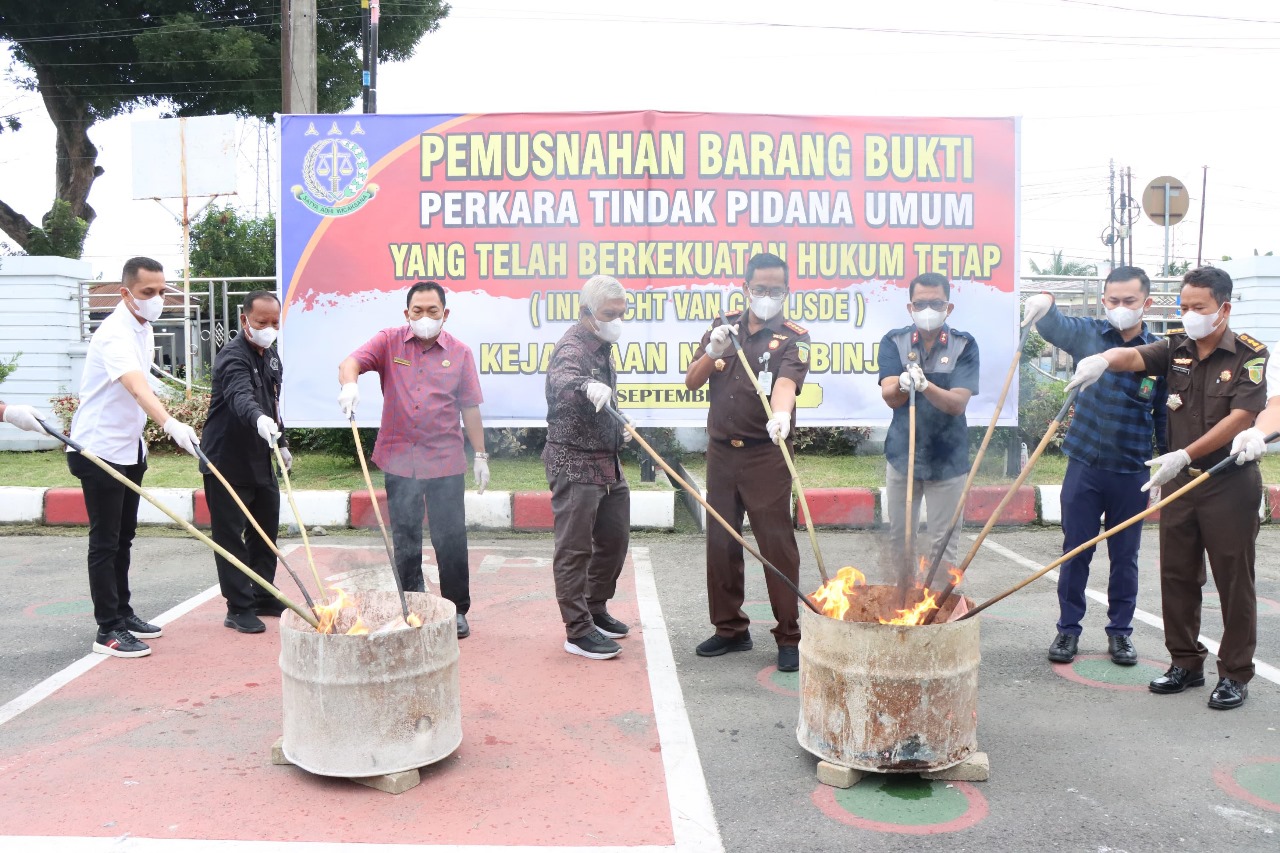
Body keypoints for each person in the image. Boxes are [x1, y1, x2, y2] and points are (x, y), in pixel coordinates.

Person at [1066, 266, 1265, 710]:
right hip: (1179, 481)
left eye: (1199, 307)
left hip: (1227, 482)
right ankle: (1185, 663)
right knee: (1177, 575)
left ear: (1223, 308)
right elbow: (1134, 358)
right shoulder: (1176, 347)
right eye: (1184, 306)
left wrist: (1187, 453)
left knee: (1233, 581)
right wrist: (1102, 360)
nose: (1190, 314)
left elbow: (1240, 418)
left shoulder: (1248, 355)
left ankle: (1234, 674)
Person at [1021, 267, 1167, 667]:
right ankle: (1068, 630)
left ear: (1147, 303)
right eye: (1113, 300)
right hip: (1084, 465)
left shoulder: (1157, 353)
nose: (1120, 308)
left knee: (1126, 557)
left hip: (1132, 470)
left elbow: (1162, 416)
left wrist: (1163, 467)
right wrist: (1046, 300)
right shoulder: (1088, 333)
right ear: (1104, 300)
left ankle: (1120, 633)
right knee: (1075, 551)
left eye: (1129, 301)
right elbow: (1053, 326)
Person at [66, 257, 202, 658]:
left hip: (128, 447)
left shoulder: (142, 327)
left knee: (124, 537)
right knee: (105, 541)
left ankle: (122, 613)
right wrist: (170, 423)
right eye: (148, 293)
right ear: (126, 293)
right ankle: (107, 629)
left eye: (162, 292)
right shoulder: (115, 334)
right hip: (99, 449)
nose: (157, 299)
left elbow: (150, 381)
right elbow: (136, 387)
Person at [338, 281, 488, 639]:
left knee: (449, 538)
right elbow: (351, 362)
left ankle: (456, 609)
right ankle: (412, 603)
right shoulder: (389, 341)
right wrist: (350, 384)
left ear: (445, 314)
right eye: (417, 311)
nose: (424, 317)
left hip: (445, 460)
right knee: (405, 537)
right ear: (407, 314)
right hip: (400, 459)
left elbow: (470, 407)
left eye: (432, 311)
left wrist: (480, 454)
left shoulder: (461, 353)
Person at [685, 252, 809, 673]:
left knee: (776, 545)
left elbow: (787, 382)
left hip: (766, 454)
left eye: (777, 290)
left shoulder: (794, 337)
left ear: (787, 292)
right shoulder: (723, 328)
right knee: (721, 542)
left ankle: (789, 634)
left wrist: (781, 415)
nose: (768, 297)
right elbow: (692, 380)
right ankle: (730, 629)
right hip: (722, 452)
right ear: (746, 287)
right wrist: (711, 351)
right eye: (761, 289)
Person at [543, 274, 633, 661]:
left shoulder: (602, 345)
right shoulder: (573, 346)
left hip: (606, 461)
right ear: (587, 314)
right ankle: (577, 630)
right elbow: (561, 380)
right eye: (609, 314)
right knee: (575, 548)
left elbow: (603, 399)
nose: (617, 321)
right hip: (574, 461)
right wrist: (583, 385)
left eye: (621, 314)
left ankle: (595, 608)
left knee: (614, 540)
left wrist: (620, 423)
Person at [877, 272, 979, 578]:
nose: (928, 309)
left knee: (942, 545)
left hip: (948, 460)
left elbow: (957, 403)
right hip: (901, 457)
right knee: (900, 539)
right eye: (921, 303)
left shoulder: (964, 345)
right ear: (910, 307)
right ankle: (901, 604)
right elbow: (889, 396)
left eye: (936, 303)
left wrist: (925, 386)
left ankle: (938, 616)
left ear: (948, 308)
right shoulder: (894, 341)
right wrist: (903, 386)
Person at [200, 290, 289, 634]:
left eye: (274, 322)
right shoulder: (232, 357)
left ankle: (263, 594)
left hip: (260, 456)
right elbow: (241, 397)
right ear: (244, 320)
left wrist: (281, 442)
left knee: (265, 531)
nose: (268, 328)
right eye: (261, 322)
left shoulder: (271, 356)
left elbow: (273, 402)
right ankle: (238, 607)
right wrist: (258, 420)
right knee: (231, 537)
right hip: (226, 460)